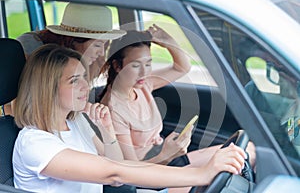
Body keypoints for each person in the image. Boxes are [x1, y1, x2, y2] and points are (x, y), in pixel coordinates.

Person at [12, 44, 247, 193]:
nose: (86, 86)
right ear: (47, 88)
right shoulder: (35, 143)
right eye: (74, 81)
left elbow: (119, 167)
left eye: (85, 77)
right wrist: (201, 173)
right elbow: (113, 172)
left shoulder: (77, 122)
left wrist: (107, 130)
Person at [99, 26, 256, 192]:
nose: (144, 72)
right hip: (149, 174)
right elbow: (130, 171)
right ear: (117, 66)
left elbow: (182, 67)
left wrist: (167, 41)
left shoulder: (142, 86)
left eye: (148, 63)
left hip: (166, 158)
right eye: (136, 66)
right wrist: (166, 156)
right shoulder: (112, 109)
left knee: (246, 151)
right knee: (216, 183)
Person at [3, 2, 125, 115]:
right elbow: (14, 106)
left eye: (105, 44)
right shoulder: (33, 53)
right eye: (97, 45)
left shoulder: (88, 62)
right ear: (74, 40)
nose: (102, 52)